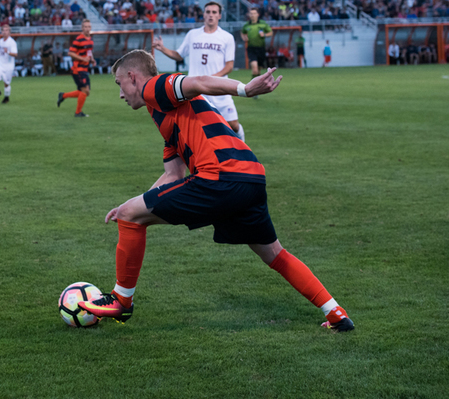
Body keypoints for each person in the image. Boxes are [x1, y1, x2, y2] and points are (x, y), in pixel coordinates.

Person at [77, 50, 355, 333]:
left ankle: (122, 301)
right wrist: (133, 207)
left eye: (118, 84)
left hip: (220, 177)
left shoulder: (155, 87)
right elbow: (173, 174)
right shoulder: (165, 115)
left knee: (130, 215)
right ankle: (336, 313)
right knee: (274, 254)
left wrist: (245, 89)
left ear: (132, 77)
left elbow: (197, 82)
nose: (121, 93)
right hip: (251, 178)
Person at [152, 1, 245, 140]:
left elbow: (229, 66)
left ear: (219, 15)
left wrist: (212, 79)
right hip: (195, 89)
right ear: (203, 14)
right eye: (208, 12)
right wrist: (162, 48)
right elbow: (179, 55)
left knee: (233, 125)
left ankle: (242, 144)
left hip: (219, 88)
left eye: (214, 12)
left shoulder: (227, 37)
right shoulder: (193, 34)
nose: (211, 15)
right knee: (196, 127)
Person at [57, 19, 95, 117]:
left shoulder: (90, 39)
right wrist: (82, 58)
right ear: (82, 28)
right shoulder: (78, 39)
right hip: (77, 69)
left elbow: (89, 52)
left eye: (89, 27)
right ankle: (78, 112)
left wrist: (92, 60)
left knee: (86, 92)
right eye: (85, 27)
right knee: (85, 91)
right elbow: (70, 53)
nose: (87, 29)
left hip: (85, 69)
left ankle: (63, 95)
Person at [241, 8, 273, 78]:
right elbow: (242, 33)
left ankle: (257, 86)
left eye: (254, 13)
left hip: (261, 48)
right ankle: (252, 87)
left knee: (258, 70)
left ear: (258, 14)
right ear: (249, 15)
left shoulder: (263, 23)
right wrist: (244, 37)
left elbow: (270, 32)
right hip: (251, 48)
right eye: (251, 13)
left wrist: (264, 35)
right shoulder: (247, 25)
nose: (252, 15)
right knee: (254, 69)